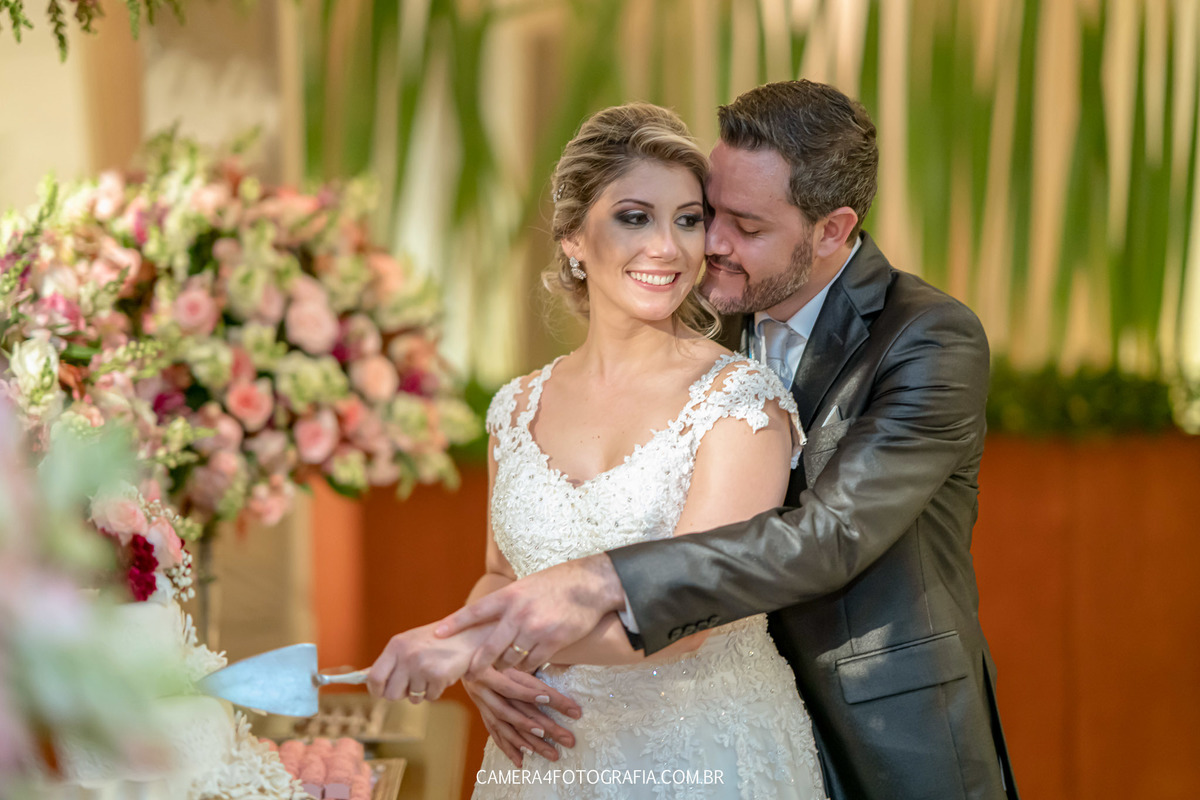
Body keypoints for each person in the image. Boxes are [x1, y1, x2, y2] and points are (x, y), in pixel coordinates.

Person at [431, 80, 1021, 800]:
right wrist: (493, 651)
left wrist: (586, 586)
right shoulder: (709, 307)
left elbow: (829, 537)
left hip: (879, 721)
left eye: (743, 224)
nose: (708, 244)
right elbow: (503, 566)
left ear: (832, 230)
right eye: (707, 214)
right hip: (671, 719)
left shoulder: (928, 338)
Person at [368, 102, 828, 799]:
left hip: (703, 756)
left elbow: (694, 615)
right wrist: (486, 660)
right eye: (634, 217)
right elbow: (499, 573)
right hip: (546, 756)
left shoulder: (739, 401)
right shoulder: (517, 406)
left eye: (688, 219)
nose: (667, 248)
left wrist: (473, 646)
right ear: (574, 239)